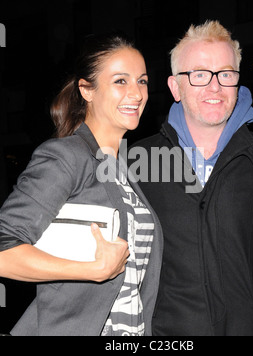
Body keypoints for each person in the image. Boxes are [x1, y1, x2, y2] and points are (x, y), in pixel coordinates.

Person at [130, 21, 253, 336]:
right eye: (198, 74)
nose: (214, 86)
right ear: (174, 87)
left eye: (225, 73)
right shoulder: (136, 161)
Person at [0, 34, 163, 336]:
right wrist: (93, 270)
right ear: (87, 90)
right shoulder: (66, 156)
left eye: (142, 81)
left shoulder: (122, 170)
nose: (137, 93)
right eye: (120, 81)